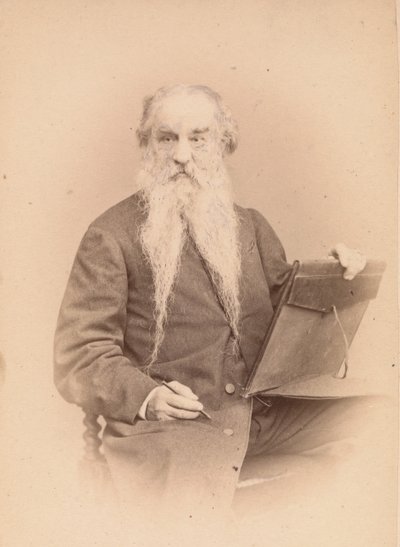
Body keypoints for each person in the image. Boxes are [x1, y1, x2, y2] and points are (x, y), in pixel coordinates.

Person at [53, 84, 369, 536]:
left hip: (262, 418)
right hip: (176, 430)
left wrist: (338, 275)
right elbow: (79, 356)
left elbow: (288, 312)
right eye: (167, 138)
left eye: (198, 139)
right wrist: (147, 398)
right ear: (147, 145)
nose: (182, 155)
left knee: (379, 420)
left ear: (223, 145)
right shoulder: (110, 236)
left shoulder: (251, 227)